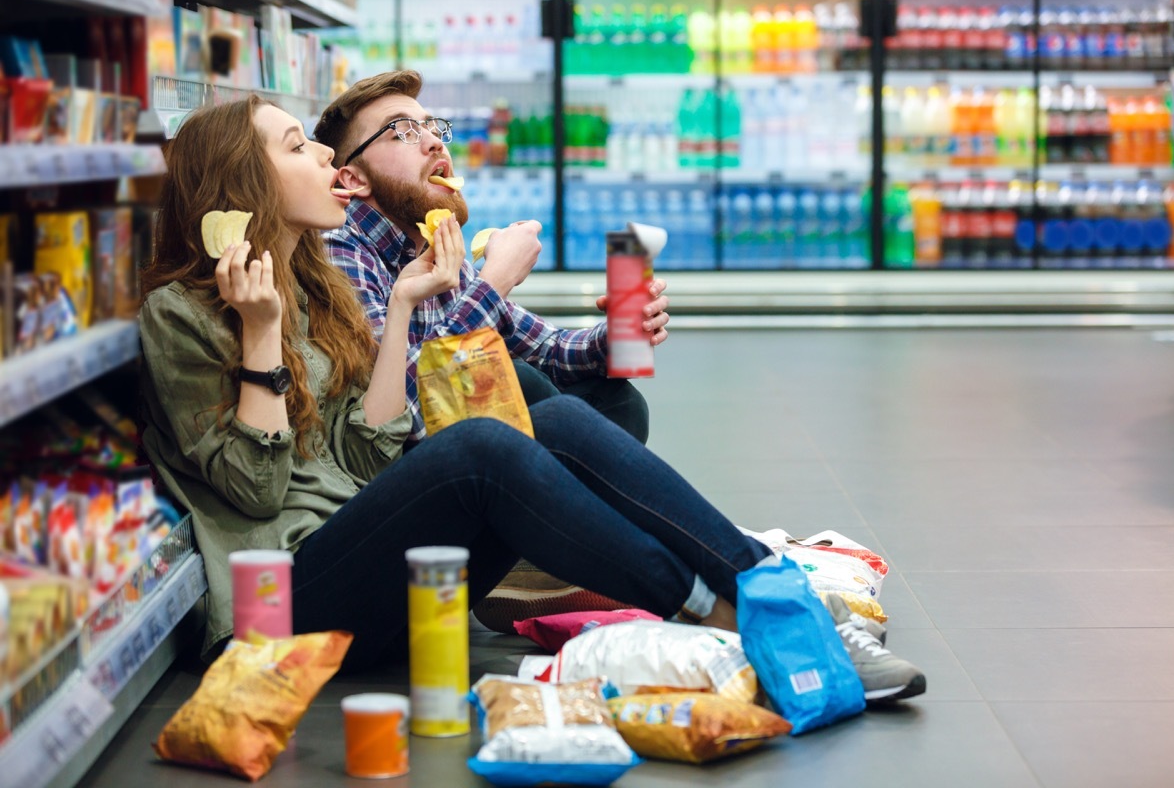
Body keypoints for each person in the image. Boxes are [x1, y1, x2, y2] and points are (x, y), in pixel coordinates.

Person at [136, 96, 925, 701]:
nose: (322, 156)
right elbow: (261, 487)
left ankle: (765, 590)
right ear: (244, 185)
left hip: (365, 548)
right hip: (279, 607)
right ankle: (739, 620)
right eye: (295, 145)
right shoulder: (185, 314)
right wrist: (261, 336)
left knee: (550, 414)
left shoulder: (311, 284)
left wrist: (410, 303)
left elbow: (363, 450)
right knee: (487, 444)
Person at [311, 70, 667, 448]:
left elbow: (547, 348)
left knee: (618, 402)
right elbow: (404, 419)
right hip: (408, 472)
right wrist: (495, 281)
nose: (434, 142)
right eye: (403, 131)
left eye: (431, 127)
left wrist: (616, 335)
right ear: (353, 179)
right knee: (521, 380)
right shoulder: (341, 250)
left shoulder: (432, 245)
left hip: (467, 452)